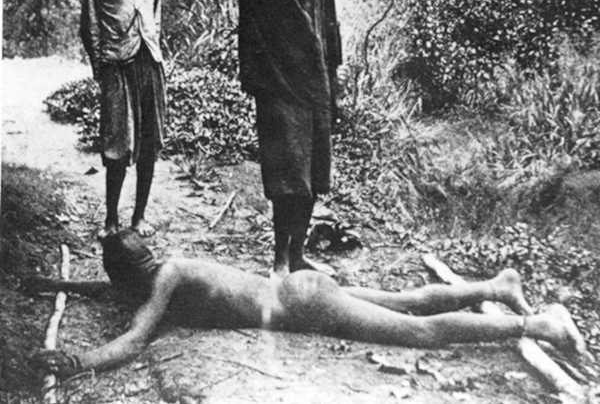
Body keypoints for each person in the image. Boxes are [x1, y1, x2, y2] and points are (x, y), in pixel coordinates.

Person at [28, 230, 586, 378]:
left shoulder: (166, 280)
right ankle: (497, 286)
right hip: (300, 287)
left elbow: (135, 338)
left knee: (420, 333)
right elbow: (113, 289)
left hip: (305, 305)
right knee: (408, 300)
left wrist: (78, 361)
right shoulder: (164, 272)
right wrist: (58, 284)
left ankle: (539, 325)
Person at [214, 0, 344, 276]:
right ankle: (280, 260)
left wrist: (334, 90)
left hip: (316, 88)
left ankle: (298, 254)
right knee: (286, 178)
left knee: (312, 178)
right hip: (278, 86)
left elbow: (331, 36)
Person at [80, 0, 166, 237]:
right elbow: (89, 27)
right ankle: (111, 220)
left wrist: (156, 53)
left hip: (149, 64)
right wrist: (100, 67)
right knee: (117, 145)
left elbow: (156, 17)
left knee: (149, 144)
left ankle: (139, 217)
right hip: (116, 66)